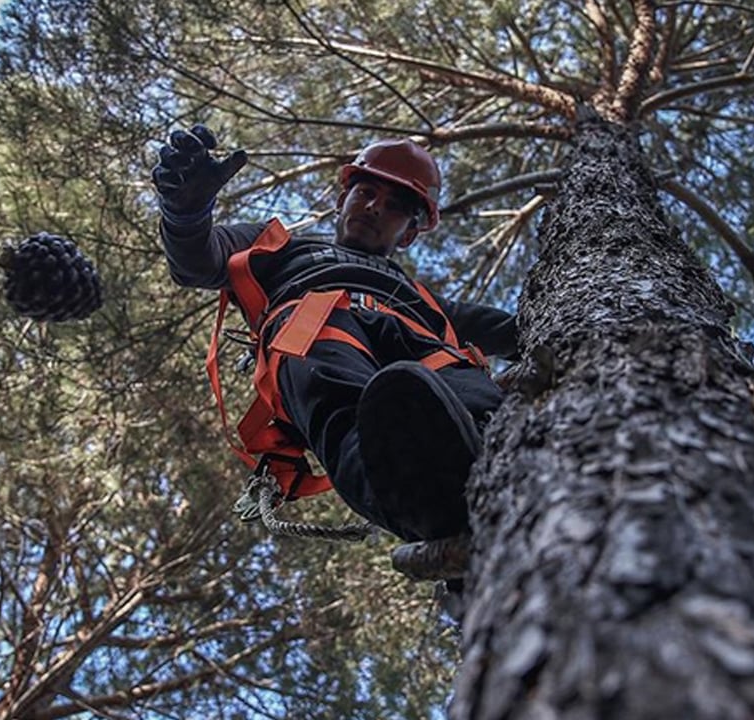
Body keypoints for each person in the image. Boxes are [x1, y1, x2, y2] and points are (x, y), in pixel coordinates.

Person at [152, 125, 517, 544]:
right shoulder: (280, 247)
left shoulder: (423, 299)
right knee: (344, 410)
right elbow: (198, 261)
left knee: (479, 401)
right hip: (315, 326)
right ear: (343, 199)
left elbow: (507, 329)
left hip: (422, 341)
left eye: (395, 206)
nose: (376, 207)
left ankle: (512, 469)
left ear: (411, 233)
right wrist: (186, 214)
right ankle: (423, 505)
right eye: (366, 193)